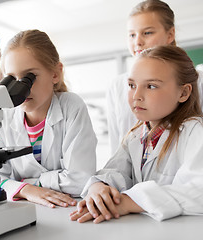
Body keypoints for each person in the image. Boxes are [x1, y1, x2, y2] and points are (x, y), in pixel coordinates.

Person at [70, 45, 203, 223]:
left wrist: (129, 202)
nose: (136, 96)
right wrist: (99, 187)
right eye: (132, 85)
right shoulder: (135, 135)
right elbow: (114, 172)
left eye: (151, 86)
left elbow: (198, 191)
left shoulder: (195, 131)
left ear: (184, 92)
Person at [0, 29, 97, 208]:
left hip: (67, 210)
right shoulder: (4, 117)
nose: (21, 89)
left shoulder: (72, 107)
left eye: (28, 78)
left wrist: (23, 183)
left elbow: (81, 179)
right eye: (12, 79)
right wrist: (27, 190)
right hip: (24, 209)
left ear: (55, 74)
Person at [106, 0, 203, 154]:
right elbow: (117, 144)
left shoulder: (197, 80)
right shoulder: (118, 85)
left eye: (147, 33)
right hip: (133, 172)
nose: (137, 41)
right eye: (132, 35)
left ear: (170, 34)